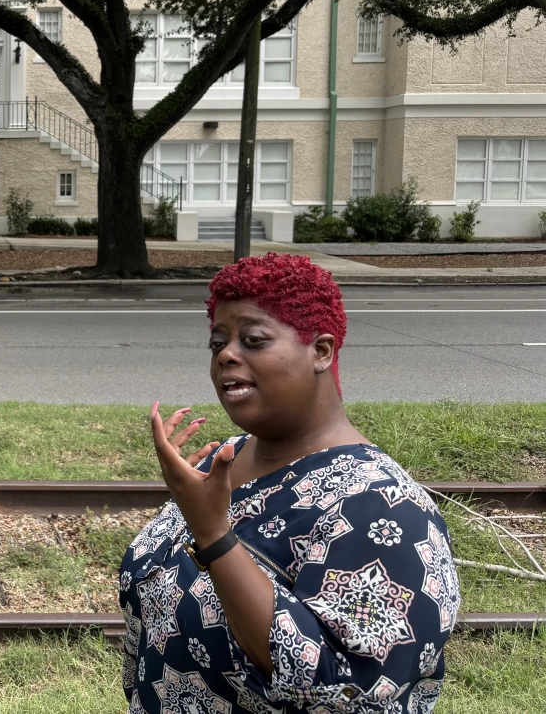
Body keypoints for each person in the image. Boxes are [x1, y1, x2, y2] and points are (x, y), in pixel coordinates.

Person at [120, 252, 459, 714]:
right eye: (217, 342)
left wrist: (215, 537)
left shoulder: (383, 506)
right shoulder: (227, 458)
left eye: (253, 339)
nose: (227, 355)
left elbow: (339, 691)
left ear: (321, 351)